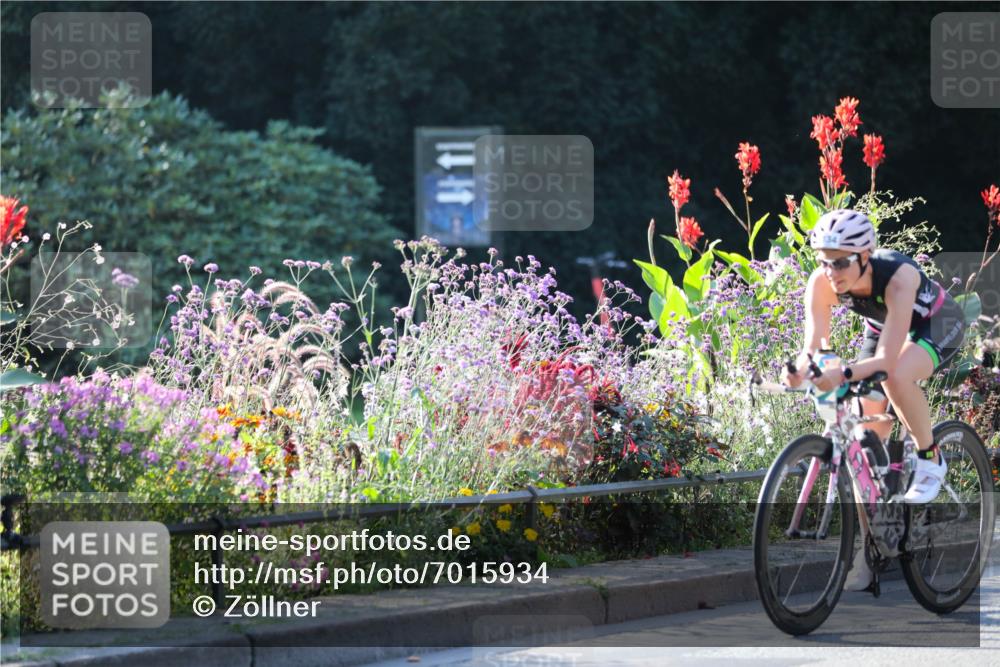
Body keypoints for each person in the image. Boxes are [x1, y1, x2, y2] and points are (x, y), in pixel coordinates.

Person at [781, 209, 966, 589]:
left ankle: (931, 458)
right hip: (882, 330)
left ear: (865, 256)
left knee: (897, 376)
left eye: (841, 262)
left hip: (937, 324)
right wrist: (799, 370)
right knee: (864, 445)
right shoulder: (822, 281)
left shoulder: (899, 276)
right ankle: (875, 545)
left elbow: (885, 360)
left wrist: (844, 373)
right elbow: (813, 347)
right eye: (824, 262)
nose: (831, 272)